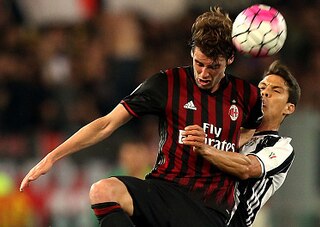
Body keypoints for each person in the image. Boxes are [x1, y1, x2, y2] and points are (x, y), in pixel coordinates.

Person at [20, 6, 263, 227]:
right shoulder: (167, 84)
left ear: (229, 60)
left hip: (211, 210)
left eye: (213, 66)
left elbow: (259, 135)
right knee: (103, 190)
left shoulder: (247, 96)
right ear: (192, 52)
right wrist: (52, 157)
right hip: (164, 192)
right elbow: (106, 124)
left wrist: (221, 146)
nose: (203, 73)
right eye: (198, 63)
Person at [181, 60, 301, 227]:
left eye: (276, 90)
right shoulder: (231, 128)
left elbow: (247, 168)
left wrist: (205, 149)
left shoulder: (282, 148)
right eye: (262, 87)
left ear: (289, 108)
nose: (265, 93)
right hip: (192, 212)